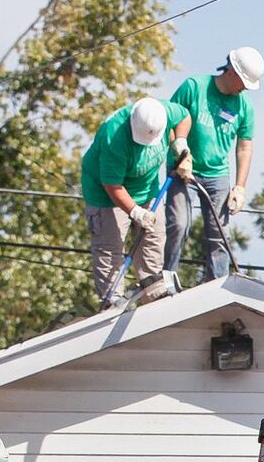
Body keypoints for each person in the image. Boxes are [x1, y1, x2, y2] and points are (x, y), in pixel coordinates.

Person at [80, 96, 193, 308]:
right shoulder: (114, 136)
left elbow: (185, 117)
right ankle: (111, 303)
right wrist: (136, 212)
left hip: (147, 190)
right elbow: (112, 185)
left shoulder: (163, 112)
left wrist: (180, 141)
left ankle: (153, 295)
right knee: (110, 248)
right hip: (106, 196)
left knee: (153, 237)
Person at [163, 46, 262, 286]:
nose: (245, 89)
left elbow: (244, 147)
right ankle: (167, 280)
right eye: (243, 83)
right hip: (182, 169)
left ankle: (216, 287)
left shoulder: (244, 106)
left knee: (219, 235)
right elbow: (169, 122)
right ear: (231, 72)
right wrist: (180, 153)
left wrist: (239, 187)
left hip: (217, 175)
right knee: (179, 224)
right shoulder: (194, 88)